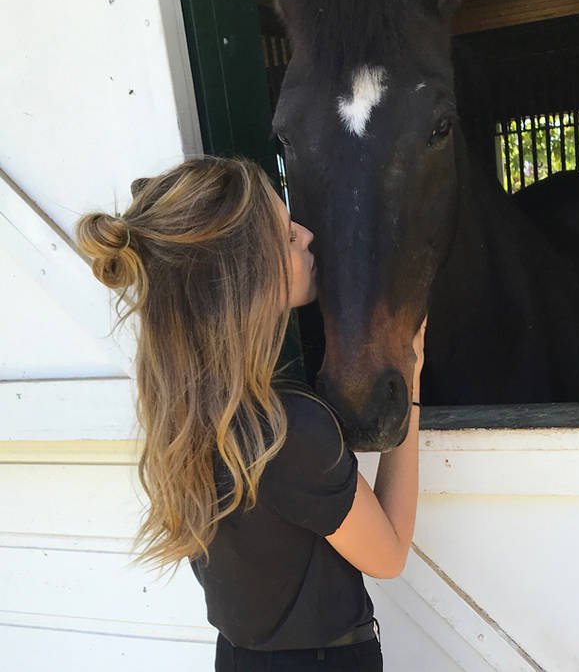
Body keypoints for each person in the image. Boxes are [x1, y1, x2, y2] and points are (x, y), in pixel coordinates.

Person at [76, 156, 425, 671]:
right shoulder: (289, 429)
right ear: (246, 274)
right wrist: (411, 378)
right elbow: (388, 554)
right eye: (285, 236)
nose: (307, 235)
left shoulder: (187, 413)